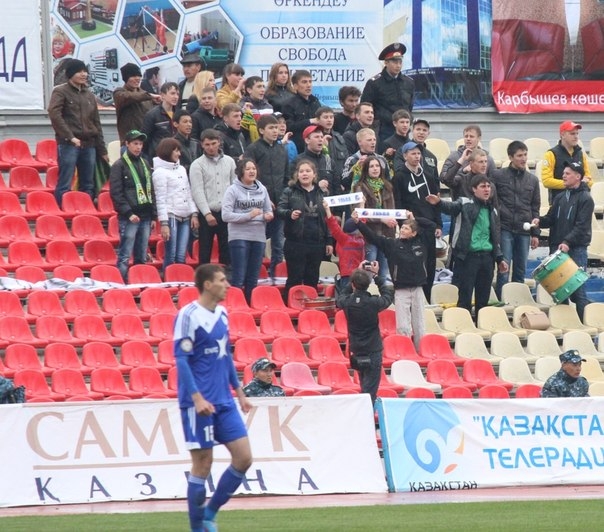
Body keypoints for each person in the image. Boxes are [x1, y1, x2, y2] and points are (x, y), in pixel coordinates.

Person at [174, 263, 252, 532]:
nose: (227, 285)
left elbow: (225, 353)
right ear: (207, 285)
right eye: (222, 280)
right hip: (199, 403)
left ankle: (209, 513)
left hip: (224, 400)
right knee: (203, 463)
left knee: (244, 458)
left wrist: (239, 391)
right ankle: (198, 528)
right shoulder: (188, 315)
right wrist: (196, 398)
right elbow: (181, 360)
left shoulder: (222, 313)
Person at [426, 174, 508, 320]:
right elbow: (450, 207)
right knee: (464, 298)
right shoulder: (464, 203)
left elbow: (494, 237)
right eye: (482, 186)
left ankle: (481, 326)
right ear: (474, 189)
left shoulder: (493, 210)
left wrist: (499, 258)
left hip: (487, 258)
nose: (487, 189)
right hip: (468, 257)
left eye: (488, 186)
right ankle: (463, 325)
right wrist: (438, 202)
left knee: (483, 300)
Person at [352, 211, 433, 351]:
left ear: (414, 233)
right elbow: (372, 237)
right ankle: (405, 351)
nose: (402, 230)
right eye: (402, 227)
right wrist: (358, 223)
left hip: (418, 288)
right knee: (403, 326)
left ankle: (420, 352)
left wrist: (414, 218)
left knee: (419, 324)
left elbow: (431, 226)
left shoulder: (422, 242)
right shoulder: (392, 244)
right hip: (401, 290)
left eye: (406, 228)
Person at [531, 161, 593, 321]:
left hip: (576, 249)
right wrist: (540, 221)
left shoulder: (586, 198)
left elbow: (581, 226)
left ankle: (584, 324)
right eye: (563, 173)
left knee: (578, 291)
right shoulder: (559, 197)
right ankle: (565, 324)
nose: (563, 176)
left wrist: (567, 242)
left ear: (578, 176)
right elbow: (551, 218)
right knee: (560, 292)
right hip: (558, 249)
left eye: (567, 173)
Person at [47, 58, 108, 207]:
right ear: (70, 74)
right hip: (68, 144)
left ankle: (85, 210)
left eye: (85, 71)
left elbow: (96, 122)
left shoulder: (89, 94)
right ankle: (63, 210)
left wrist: (102, 149)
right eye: (79, 71)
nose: (83, 74)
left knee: (88, 182)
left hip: (89, 144)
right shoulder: (60, 91)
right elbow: (55, 115)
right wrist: (70, 137)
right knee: (65, 181)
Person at [336, 263, 394, 404]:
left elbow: (341, 296)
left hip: (356, 349)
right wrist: (376, 276)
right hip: (373, 349)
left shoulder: (347, 302)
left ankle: (365, 411)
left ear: (353, 284)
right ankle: (366, 413)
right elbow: (387, 296)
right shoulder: (373, 302)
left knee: (365, 385)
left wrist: (355, 277)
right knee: (370, 389)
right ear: (368, 285)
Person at [392, 141, 442, 301]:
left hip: (429, 225)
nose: (417, 156)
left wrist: (439, 224)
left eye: (419, 153)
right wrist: (403, 225)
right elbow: (398, 202)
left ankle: (427, 297)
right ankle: (414, 298)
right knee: (415, 263)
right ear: (405, 156)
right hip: (412, 227)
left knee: (430, 263)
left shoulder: (428, 176)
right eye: (413, 153)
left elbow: (436, 202)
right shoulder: (399, 176)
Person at [277, 160, 333, 301]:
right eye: (301, 171)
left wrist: (329, 241)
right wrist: (289, 213)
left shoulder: (322, 193)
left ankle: (310, 307)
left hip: (317, 243)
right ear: (297, 175)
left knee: (312, 278)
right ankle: (290, 305)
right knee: (294, 278)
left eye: (308, 171)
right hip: (295, 243)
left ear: (314, 174)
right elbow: (279, 210)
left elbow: (328, 219)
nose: (304, 174)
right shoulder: (289, 191)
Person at [243, 114, 289, 280]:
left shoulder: (281, 149)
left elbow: (286, 176)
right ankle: (255, 275)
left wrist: (284, 199)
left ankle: (275, 276)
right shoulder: (253, 149)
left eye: (276, 128)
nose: (275, 131)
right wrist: (263, 198)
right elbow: (249, 178)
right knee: (258, 241)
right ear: (261, 130)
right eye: (271, 128)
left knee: (278, 243)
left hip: (279, 202)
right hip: (258, 203)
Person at [493, 140, 541, 298]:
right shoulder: (498, 176)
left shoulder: (533, 180)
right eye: (519, 155)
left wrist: (535, 233)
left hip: (524, 230)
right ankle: (502, 301)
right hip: (505, 228)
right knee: (504, 268)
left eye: (525, 155)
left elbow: (535, 207)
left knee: (520, 270)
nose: (524, 158)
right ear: (510, 157)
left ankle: (517, 301)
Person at [222, 158, 273, 302]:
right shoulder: (232, 190)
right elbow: (225, 215)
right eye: (248, 169)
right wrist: (248, 215)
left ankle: (250, 305)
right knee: (239, 276)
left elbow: (268, 210)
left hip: (258, 236)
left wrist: (268, 216)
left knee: (253, 277)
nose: (252, 171)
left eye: (254, 169)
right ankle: (235, 304)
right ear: (241, 172)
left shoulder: (262, 189)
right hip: (239, 236)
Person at [109, 130, 156, 283]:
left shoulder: (145, 163)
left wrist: (153, 215)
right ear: (127, 144)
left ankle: (139, 282)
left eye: (140, 144)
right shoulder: (119, 165)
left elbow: (151, 190)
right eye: (135, 143)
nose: (138, 147)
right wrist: (128, 213)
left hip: (145, 215)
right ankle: (120, 283)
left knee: (141, 254)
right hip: (129, 216)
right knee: (125, 254)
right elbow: (116, 193)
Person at [190, 129, 236, 267]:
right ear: (202, 145)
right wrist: (206, 213)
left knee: (227, 251)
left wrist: (231, 209)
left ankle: (225, 277)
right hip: (207, 213)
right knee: (205, 251)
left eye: (213, 143)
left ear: (219, 143)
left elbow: (234, 186)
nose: (211, 147)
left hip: (226, 212)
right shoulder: (197, 164)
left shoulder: (229, 161)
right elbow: (197, 190)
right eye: (207, 144)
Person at [152, 137, 199, 272]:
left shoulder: (181, 169)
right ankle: (168, 277)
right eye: (176, 151)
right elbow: (160, 199)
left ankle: (180, 278)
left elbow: (188, 192)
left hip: (185, 215)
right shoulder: (159, 172)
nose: (179, 154)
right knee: (171, 254)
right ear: (168, 151)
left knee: (181, 254)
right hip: (171, 216)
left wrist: (194, 213)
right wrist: (164, 223)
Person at [352, 155, 396, 282]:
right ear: (366, 169)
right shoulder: (360, 187)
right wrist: (381, 219)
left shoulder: (387, 186)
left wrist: (392, 219)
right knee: (369, 272)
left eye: (377, 166)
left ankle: (382, 293)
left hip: (386, 234)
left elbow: (392, 209)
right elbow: (359, 212)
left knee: (383, 272)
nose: (375, 169)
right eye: (371, 166)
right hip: (369, 234)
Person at [361, 42, 414, 144]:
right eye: (394, 62)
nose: (398, 65)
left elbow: (409, 106)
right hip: (383, 130)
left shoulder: (409, 82)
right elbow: (365, 106)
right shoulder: (374, 83)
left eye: (400, 62)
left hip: (404, 129)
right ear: (386, 63)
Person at [542, 120, 592, 204]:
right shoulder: (551, 154)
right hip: (559, 202)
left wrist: (580, 184)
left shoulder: (581, 154)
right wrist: (572, 184)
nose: (576, 137)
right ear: (562, 135)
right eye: (572, 134)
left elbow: (589, 179)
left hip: (579, 202)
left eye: (577, 133)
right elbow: (546, 181)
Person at [440, 124, 496, 199]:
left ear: (479, 138)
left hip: (483, 202)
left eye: (471, 136)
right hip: (460, 200)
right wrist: (463, 170)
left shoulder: (488, 159)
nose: (468, 139)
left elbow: (494, 182)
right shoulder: (454, 157)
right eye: (466, 136)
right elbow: (443, 178)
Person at [113, 62, 161, 144]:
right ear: (126, 78)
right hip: (129, 142)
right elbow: (130, 97)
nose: (137, 78)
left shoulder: (145, 95)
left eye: (139, 76)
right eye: (133, 76)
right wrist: (149, 96)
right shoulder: (119, 93)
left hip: (146, 141)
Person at [323, 201, 365, 292]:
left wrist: (362, 204)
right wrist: (327, 209)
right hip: (349, 275)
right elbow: (334, 226)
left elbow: (362, 221)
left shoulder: (356, 238)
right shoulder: (346, 239)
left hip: (357, 273)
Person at [282, 69, 322, 153]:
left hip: (315, 147)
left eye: (310, 82)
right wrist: (309, 121)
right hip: (298, 147)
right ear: (295, 86)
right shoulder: (289, 104)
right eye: (304, 82)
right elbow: (289, 127)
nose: (308, 85)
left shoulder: (315, 102)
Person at [341, 128, 390, 193]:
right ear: (360, 142)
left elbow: (388, 180)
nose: (373, 142)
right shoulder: (353, 159)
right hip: (359, 195)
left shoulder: (381, 159)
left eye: (374, 139)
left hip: (380, 195)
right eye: (369, 140)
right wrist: (356, 167)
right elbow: (344, 182)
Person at [141, 81, 179, 159]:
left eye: (177, 94)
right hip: (158, 156)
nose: (176, 97)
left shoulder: (179, 114)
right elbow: (145, 139)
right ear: (162, 95)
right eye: (172, 93)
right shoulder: (152, 115)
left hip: (176, 155)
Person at [293, 125, 335, 195]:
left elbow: (336, 186)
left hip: (329, 200)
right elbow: (293, 185)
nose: (320, 139)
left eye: (321, 137)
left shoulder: (328, 160)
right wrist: (317, 187)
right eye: (316, 137)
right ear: (307, 140)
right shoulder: (298, 161)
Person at [172, 109, 201, 174]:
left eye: (190, 122)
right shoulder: (172, 144)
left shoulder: (196, 143)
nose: (189, 125)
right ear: (175, 124)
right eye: (185, 122)